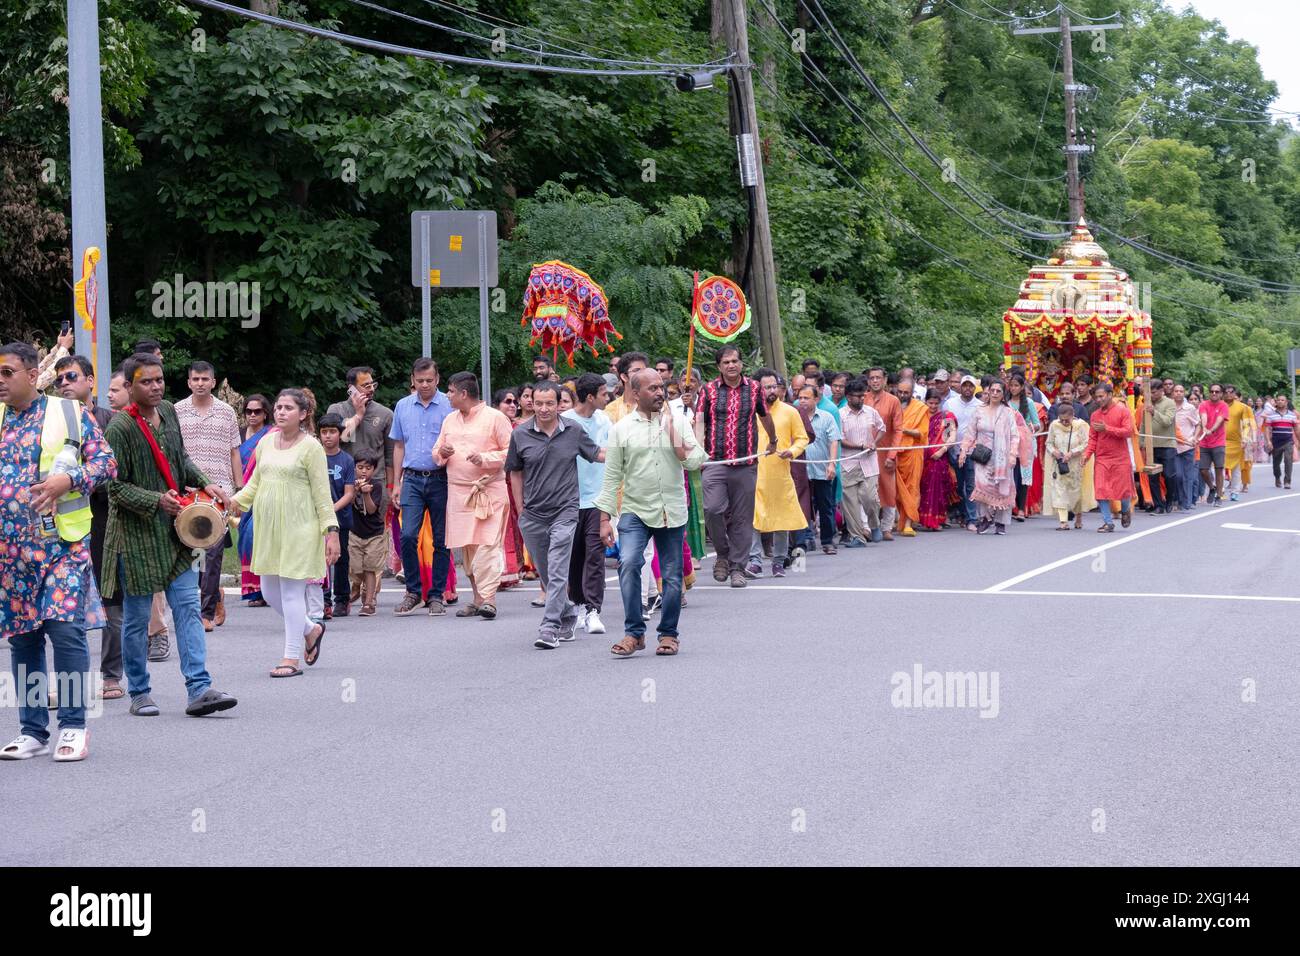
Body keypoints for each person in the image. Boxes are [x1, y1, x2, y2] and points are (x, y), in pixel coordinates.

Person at [100, 353, 237, 718]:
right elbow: (113, 489)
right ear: (129, 387)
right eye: (146, 381)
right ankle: (140, 692)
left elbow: (182, 461)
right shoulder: (119, 429)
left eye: (159, 380)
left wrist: (210, 485)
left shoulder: (172, 414)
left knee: (188, 607)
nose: (156, 386)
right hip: (136, 536)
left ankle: (199, 688)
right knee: (137, 618)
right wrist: (156, 500)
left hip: (177, 533)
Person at [0, 342, 116, 761]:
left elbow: (106, 464)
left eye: (7, 372)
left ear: (33, 375)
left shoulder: (68, 412)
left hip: (62, 544)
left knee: (64, 630)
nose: (0, 379)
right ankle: (32, 730)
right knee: (24, 638)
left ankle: (72, 725)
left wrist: (67, 482)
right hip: (11, 553)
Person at [229, 390, 337, 677]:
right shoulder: (265, 443)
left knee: (291, 594)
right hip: (268, 528)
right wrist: (233, 502)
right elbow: (254, 484)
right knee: (268, 591)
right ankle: (311, 630)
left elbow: (322, 494)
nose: (281, 412)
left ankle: (290, 658)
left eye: (288, 408)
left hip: (300, 528)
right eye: (278, 407)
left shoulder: (311, 447)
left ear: (302, 414)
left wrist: (331, 531)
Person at [596, 368, 704, 656]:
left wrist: (675, 437)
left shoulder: (678, 422)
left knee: (670, 575)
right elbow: (611, 476)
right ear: (635, 393)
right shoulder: (621, 428)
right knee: (629, 563)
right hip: (634, 510)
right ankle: (635, 633)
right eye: (652, 388)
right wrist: (604, 518)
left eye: (661, 387)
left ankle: (668, 634)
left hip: (671, 510)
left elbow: (696, 462)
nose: (659, 393)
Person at [506, 381, 602, 649]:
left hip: (565, 510)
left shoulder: (573, 430)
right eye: (539, 403)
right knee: (547, 573)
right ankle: (569, 612)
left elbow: (596, 453)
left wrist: (630, 454)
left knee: (559, 567)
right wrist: (521, 507)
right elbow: (515, 471)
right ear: (532, 403)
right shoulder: (521, 434)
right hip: (533, 514)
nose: (544, 408)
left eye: (550, 403)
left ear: (559, 404)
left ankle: (550, 626)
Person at [53, 355, 124, 701]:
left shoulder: (110, 419)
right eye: (59, 380)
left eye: (71, 376)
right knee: (65, 605)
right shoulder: (51, 421)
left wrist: (73, 479)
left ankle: (112, 675)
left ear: (90, 380)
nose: (64, 383)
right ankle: (68, 681)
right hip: (63, 525)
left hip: (107, 520)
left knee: (112, 600)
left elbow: (115, 470)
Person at [432, 371, 513, 620]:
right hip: (459, 493)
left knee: (488, 544)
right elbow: (436, 453)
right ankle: (477, 599)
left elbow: (512, 453)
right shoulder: (450, 420)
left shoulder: (496, 418)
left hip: (488, 489)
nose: (448, 395)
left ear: (464, 393)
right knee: (468, 547)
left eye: (451, 391)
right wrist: (442, 453)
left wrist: (485, 459)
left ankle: (490, 600)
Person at [695, 345, 777, 588]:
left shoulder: (754, 389)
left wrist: (773, 440)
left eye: (735, 361)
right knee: (712, 509)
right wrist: (698, 451)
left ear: (741, 364)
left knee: (742, 518)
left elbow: (764, 415)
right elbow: (699, 421)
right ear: (719, 366)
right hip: (715, 462)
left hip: (745, 463)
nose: (731, 365)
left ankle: (737, 568)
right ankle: (722, 554)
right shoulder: (708, 390)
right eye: (726, 362)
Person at [174, 360, 243, 632]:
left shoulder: (226, 412)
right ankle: (210, 597)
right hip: (188, 493)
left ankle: (205, 611)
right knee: (190, 553)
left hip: (220, 491)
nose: (200, 383)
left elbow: (235, 451)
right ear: (189, 382)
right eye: (195, 379)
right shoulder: (176, 410)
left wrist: (238, 492)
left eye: (205, 379)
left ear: (213, 382)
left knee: (212, 554)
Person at [389, 357, 453, 616]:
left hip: (442, 478)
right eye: (420, 381)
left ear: (437, 379)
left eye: (429, 380)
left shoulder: (449, 406)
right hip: (412, 478)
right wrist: (396, 481)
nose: (425, 385)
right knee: (407, 535)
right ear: (412, 381)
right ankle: (413, 591)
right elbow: (399, 445)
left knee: (441, 539)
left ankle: (436, 594)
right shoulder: (403, 406)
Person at [744, 369, 809, 576]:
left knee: (782, 518)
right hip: (753, 472)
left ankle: (779, 561)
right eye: (766, 387)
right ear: (757, 389)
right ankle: (755, 560)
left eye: (774, 386)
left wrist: (792, 451)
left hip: (780, 473)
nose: (771, 391)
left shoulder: (790, 411)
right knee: (753, 517)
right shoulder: (748, 411)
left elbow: (802, 438)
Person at [563, 372, 611, 634]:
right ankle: (579, 603)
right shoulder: (566, 422)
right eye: (604, 393)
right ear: (590, 397)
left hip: (597, 498)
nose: (608, 397)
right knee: (574, 556)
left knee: (595, 553)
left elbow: (613, 454)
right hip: (569, 498)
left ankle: (593, 609)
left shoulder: (605, 420)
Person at [957, 380, 1026, 535]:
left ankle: (1001, 522)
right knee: (982, 486)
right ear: (987, 393)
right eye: (992, 391)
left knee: (1002, 489)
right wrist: (963, 451)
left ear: (1003, 395)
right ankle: (986, 519)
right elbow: (970, 434)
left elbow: (1015, 436)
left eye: (998, 391)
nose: (994, 393)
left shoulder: (1008, 412)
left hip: (1002, 456)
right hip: (983, 456)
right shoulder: (979, 411)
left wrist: (1013, 455)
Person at [325, 366, 395, 488]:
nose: (372, 389)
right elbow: (338, 440)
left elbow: (390, 455)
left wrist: (390, 487)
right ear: (351, 389)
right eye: (366, 386)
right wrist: (358, 415)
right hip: (343, 479)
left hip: (375, 483)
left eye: (373, 385)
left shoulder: (386, 414)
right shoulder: (336, 410)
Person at [1083, 382, 1136, 532]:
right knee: (1101, 490)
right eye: (1096, 397)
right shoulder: (1095, 415)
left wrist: (1107, 429)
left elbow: (1127, 431)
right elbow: (1093, 438)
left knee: (1123, 491)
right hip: (1102, 458)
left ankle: (1125, 510)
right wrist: (1086, 455)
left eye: (1101, 396)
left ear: (1110, 395)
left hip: (1120, 458)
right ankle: (1108, 522)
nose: (1098, 400)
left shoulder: (1123, 411)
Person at [317, 413, 356, 617]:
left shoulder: (347, 460)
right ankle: (323, 600)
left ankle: (342, 599)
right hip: (317, 518)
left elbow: (349, 493)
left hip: (340, 517)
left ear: (340, 434)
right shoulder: (314, 457)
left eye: (332, 431)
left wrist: (330, 508)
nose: (328, 436)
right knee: (320, 558)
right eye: (324, 432)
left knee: (340, 559)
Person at [838, 376, 885, 546]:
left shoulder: (871, 412)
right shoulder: (840, 415)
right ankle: (857, 537)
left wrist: (874, 442)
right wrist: (860, 446)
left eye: (863, 395)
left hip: (869, 462)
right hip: (847, 462)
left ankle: (874, 525)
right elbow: (840, 439)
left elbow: (882, 428)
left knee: (870, 498)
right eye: (857, 396)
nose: (861, 399)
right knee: (849, 503)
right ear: (849, 397)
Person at [236, 394, 272, 607]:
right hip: (243, 494)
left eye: (257, 411)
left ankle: (264, 590)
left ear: (265, 413)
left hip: (265, 494)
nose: (252, 415)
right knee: (245, 540)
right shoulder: (239, 435)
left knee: (256, 538)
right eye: (248, 411)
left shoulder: (271, 436)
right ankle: (253, 590)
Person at [796, 382, 839, 557]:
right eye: (800, 398)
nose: (802, 401)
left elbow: (834, 440)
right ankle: (804, 540)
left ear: (816, 399)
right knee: (802, 506)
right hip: (800, 471)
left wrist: (831, 464)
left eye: (806, 398)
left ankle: (828, 541)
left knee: (825, 506)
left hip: (821, 470)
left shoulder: (827, 417)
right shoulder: (794, 416)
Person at [348, 454, 387, 615]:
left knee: (370, 568)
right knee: (356, 568)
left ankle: (369, 602)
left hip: (374, 534)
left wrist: (366, 494)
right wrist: (354, 491)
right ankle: (357, 587)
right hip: (355, 532)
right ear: (354, 468)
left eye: (368, 468)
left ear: (374, 469)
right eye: (360, 467)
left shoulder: (376, 486)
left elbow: (371, 509)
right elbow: (347, 503)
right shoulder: (350, 484)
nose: (364, 472)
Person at [1044, 401, 1089, 530]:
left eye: (1067, 420)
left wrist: (1072, 453)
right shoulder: (1054, 425)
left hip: (1075, 465)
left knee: (1075, 493)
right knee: (1059, 491)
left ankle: (1078, 516)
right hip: (1059, 465)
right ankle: (1063, 522)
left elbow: (1086, 443)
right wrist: (1054, 452)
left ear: (1073, 416)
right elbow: (1049, 443)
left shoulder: (1080, 426)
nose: (1064, 423)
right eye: (1061, 420)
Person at [945, 374, 980, 531]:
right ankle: (964, 514)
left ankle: (972, 519)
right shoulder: (950, 404)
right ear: (960, 386)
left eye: (970, 386)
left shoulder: (980, 406)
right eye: (965, 385)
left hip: (972, 452)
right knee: (958, 486)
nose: (967, 388)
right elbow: (944, 427)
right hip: (953, 450)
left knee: (971, 485)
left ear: (974, 388)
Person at [894, 378, 929, 536]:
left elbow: (921, 433)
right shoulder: (893, 405)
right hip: (895, 452)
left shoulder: (920, 408)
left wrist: (904, 430)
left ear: (912, 392)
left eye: (905, 392)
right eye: (900, 392)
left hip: (913, 453)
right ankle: (898, 520)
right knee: (895, 490)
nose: (902, 395)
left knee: (912, 488)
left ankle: (908, 523)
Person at [918, 392, 957, 531]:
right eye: (930, 403)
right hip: (922, 458)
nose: (933, 406)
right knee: (923, 488)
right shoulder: (920, 416)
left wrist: (941, 451)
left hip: (940, 459)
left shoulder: (945, 417)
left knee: (938, 488)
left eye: (936, 403)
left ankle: (937, 520)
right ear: (925, 402)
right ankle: (924, 519)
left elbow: (951, 436)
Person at [1004, 372, 1039, 522]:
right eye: (1011, 385)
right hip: (1008, 442)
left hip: (1025, 443)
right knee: (1011, 475)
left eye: (1016, 385)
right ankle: (1012, 507)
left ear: (1022, 387)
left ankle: (1021, 508)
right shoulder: (1005, 402)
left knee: (1024, 475)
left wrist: (1030, 427)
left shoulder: (1029, 403)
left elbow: (1037, 423)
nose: (1013, 388)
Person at [1142, 380, 1176, 513]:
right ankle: (1158, 505)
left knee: (1168, 475)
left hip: (1167, 444)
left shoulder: (1169, 403)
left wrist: (1154, 412)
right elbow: (1144, 424)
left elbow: (1167, 422)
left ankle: (1170, 498)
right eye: (1149, 393)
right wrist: (1141, 442)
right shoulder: (1147, 403)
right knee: (1153, 476)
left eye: (1154, 392)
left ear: (1161, 390)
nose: (1151, 395)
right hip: (1151, 446)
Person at [1198, 384, 1230, 507]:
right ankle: (1212, 487)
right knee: (1203, 470)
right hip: (1204, 442)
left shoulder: (1223, 405)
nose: (1214, 393)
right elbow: (1203, 416)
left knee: (1219, 469)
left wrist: (1211, 429)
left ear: (1221, 394)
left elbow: (1220, 419)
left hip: (1218, 442)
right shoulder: (1204, 404)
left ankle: (1218, 496)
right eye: (1212, 391)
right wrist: (1205, 427)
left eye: (1217, 391)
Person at [1170, 383, 1200, 511]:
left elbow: (1198, 424)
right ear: (1172, 393)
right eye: (1176, 391)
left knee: (1188, 476)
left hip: (1188, 446)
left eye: (1181, 391)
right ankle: (1178, 499)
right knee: (1178, 475)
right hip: (1173, 446)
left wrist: (1194, 438)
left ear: (1184, 393)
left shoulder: (1190, 408)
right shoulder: (1169, 407)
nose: (1178, 393)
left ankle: (1186, 503)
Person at [1223, 385, 1254, 501]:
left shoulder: (1242, 407)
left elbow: (1246, 424)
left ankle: (1235, 491)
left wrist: (1245, 438)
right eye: (1226, 392)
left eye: (1231, 392)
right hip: (1220, 440)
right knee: (1220, 467)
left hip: (1236, 441)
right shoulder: (1220, 405)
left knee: (1236, 468)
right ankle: (1220, 491)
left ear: (1235, 394)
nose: (1229, 394)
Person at [1263, 394, 1298, 489]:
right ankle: (1277, 477)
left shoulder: (1292, 415)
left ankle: (1287, 481)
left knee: (1288, 460)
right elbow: (1266, 429)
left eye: (1282, 400)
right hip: (1276, 442)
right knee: (1276, 463)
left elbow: (1296, 429)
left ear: (1286, 402)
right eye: (1278, 400)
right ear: (1276, 402)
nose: (1280, 401)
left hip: (1288, 441)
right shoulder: (1271, 415)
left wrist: (1298, 441)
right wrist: (1268, 441)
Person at [605, 352, 648, 424]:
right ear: (624, 377)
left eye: (645, 371)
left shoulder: (656, 406)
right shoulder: (611, 411)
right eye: (637, 370)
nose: (643, 375)